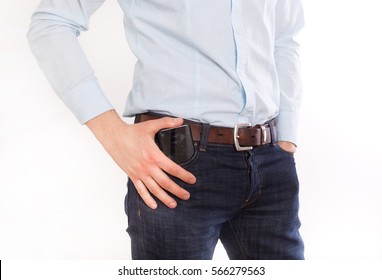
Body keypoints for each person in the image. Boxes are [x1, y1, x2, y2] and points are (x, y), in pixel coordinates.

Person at [28, 0, 305, 260]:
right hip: (176, 165)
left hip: (271, 162)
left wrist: (287, 136)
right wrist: (113, 135)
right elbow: (52, 21)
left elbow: (284, 37)